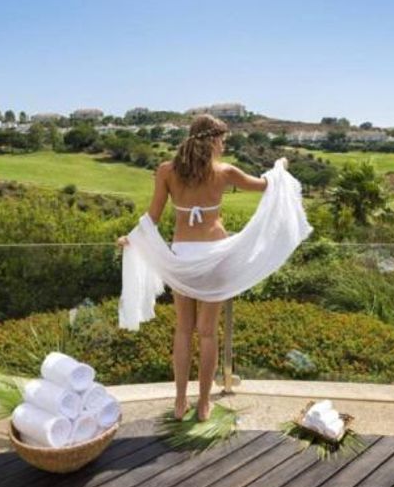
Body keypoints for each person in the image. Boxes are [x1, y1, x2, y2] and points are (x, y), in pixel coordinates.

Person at [117, 114, 284, 422]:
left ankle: (180, 401)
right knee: (207, 333)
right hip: (216, 256)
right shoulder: (225, 171)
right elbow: (266, 186)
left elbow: (152, 217)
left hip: (182, 256)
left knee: (183, 330)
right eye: (223, 140)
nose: (224, 145)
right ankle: (204, 403)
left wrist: (132, 238)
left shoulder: (166, 171)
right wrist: (279, 169)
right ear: (213, 140)